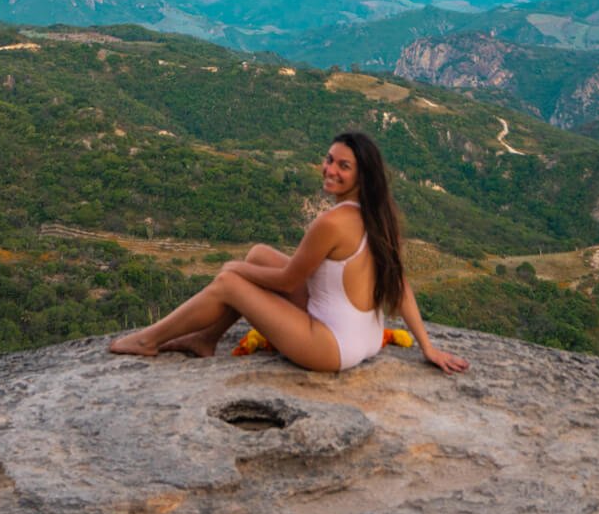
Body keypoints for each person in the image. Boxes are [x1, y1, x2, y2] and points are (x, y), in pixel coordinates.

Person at [108, 129, 469, 374]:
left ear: (363, 175)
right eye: (329, 160)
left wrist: (231, 269)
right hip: (367, 335)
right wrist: (427, 347)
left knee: (231, 281)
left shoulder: (332, 223)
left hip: (333, 347)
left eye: (344, 166)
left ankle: (148, 340)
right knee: (259, 254)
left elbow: (287, 279)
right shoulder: (379, 216)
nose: (330, 170)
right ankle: (206, 338)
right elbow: (401, 284)